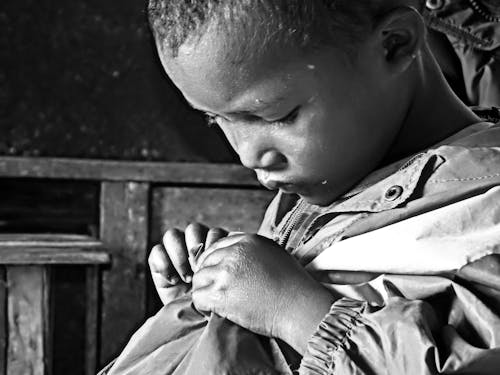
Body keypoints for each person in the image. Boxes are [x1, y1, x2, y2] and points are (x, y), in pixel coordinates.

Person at [101, 0, 500, 374]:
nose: (247, 155)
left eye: (278, 116)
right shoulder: (308, 194)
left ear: (395, 46)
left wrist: (298, 313)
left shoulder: (484, 210)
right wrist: (206, 317)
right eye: (214, 119)